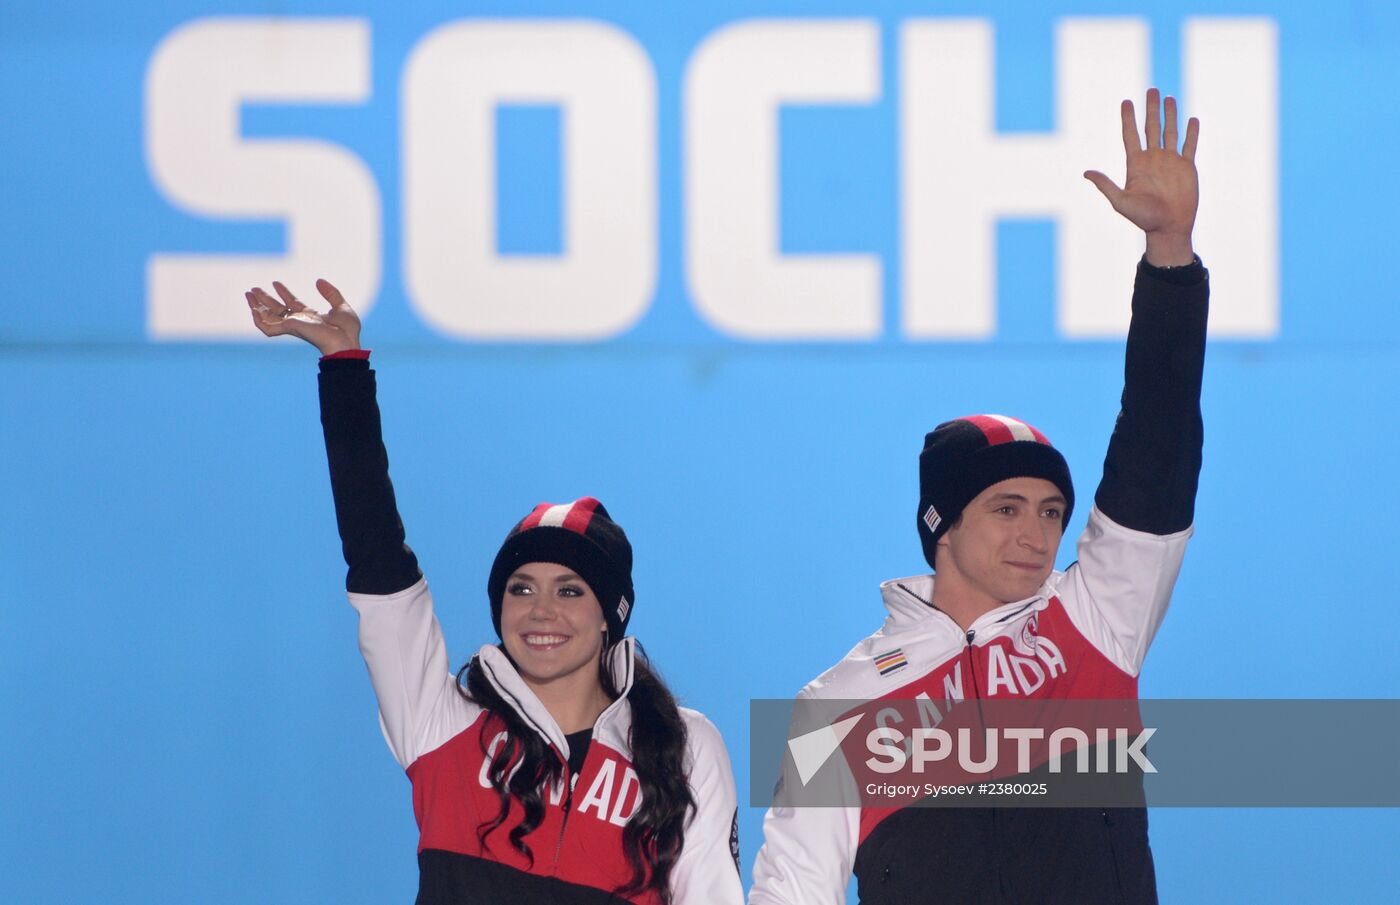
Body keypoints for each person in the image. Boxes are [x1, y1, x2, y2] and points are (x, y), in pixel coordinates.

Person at [749, 88, 1208, 904]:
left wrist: (1170, 255)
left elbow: (1155, 451)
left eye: (1052, 511)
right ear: (941, 527)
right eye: (1006, 507)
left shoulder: (1094, 619)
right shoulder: (837, 704)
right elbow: (792, 888)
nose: (1037, 532)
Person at [243, 284, 744, 905]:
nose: (541, 610)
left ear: (611, 616)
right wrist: (344, 368)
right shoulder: (439, 722)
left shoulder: (683, 749)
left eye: (570, 590)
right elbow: (377, 558)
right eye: (521, 588)